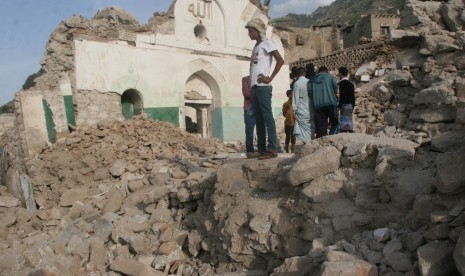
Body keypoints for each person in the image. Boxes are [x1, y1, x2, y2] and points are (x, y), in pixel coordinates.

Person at [245, 17, 284, 159]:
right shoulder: (257, 46)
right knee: (259, 119)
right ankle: (261, 149)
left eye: (250, 31)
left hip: (263, 86)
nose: (249, 34)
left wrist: (270, 78)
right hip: (255, 87)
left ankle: (272, 149)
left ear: (258, 31)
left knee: (267, 118)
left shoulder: (267, 43)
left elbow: (280, 60)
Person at [309, 66, 340, 138]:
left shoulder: (311, 80)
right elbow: (335, 89)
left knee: (321, 127)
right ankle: (333, 138)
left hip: (318, 105)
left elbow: (310, 93)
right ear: (326, 71)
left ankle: (323, 142)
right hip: (331, 103)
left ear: (318, 72)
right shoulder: (330, 77)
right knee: (335, 123)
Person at [292, 67, 313, 144]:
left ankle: (307, 145)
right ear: (305, 73)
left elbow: (295, 98)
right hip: (311, 109)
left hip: (301, 109)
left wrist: (294, 110)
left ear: (297, 74)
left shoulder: (297, 83)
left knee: (303, 131)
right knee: (310, 127)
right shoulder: (310, 82)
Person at [242, 76, 257, 157]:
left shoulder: (262, 78)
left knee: (262, 131)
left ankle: (262, 150)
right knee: (249, 132)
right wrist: (259, 93)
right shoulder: (246, 79)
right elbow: (246, 94)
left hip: (260, 108)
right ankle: (250, 151)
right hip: (249, 109)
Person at [338, 66, 355, 133]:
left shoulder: (341, 83)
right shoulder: (351, 84)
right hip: (350, 105)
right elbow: (353, 97)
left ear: (340, 74)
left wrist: (339, 106)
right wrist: (353, 105)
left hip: (344, 106)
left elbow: (342, 96)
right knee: (349, 121)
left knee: (343, 123)